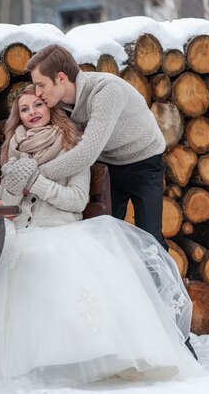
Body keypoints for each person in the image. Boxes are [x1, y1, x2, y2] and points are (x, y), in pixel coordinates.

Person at [0, 83, 202, 386]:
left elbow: (77, 200)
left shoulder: (72, 147)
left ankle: (81, 357)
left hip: (61, 231)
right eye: (24, 109)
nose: (32, 112)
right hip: (20, 231)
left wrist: (37, 181)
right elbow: (4, 208)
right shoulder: (14, 151)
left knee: (41, 261)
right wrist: (12, 187)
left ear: (51, 108)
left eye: (37, 104)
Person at [26, 44, 168, 251]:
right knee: (105, 235)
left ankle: (161, 283)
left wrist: (36, 177)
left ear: (61, 78)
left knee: (150, 240)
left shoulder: (106, 90)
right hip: (108, 165)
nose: (38, 93)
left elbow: (86, 152)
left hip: (144, 163)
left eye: (41, 85)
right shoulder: (56, 104)